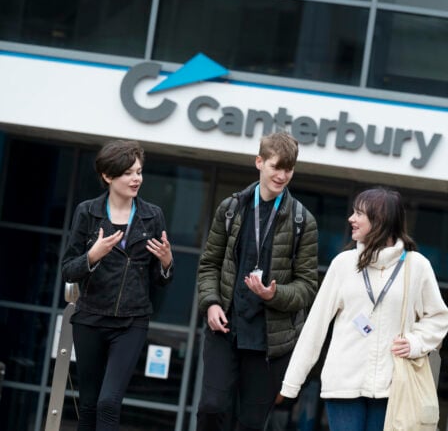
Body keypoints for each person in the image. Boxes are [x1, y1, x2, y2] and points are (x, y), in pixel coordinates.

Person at [279, 187, 448, 431]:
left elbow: (438, 318)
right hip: (343, 384)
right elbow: (315, 326)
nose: (351, 219)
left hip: (393, 387)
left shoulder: (417, 266)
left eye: (359, 214)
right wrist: (292, 383)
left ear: (380, 220)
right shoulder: (344, 264)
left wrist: (415, 342)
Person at [196, 131, 319, 431]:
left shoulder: (304, 221)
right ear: (259, 162)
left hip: (269, 343)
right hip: (225, 330)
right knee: (212, 408)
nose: (282, 175)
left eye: (288, 169)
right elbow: (209, 264)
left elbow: (306, 288)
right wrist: (211, 303)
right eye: (276, 167)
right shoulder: (231, 208)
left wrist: (272, 295)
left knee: (251, 423)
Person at [61, 139, 174, 431]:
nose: (136, 178)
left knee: (108, 402)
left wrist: (165, 264)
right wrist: (92, 256)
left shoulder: (152, 215)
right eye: (128, 173)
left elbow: (160, 283)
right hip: (90, 318)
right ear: (108, 176)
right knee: (88, 405)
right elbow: (68, 270)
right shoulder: (88, 212)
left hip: (131, 321)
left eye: (138, 171)